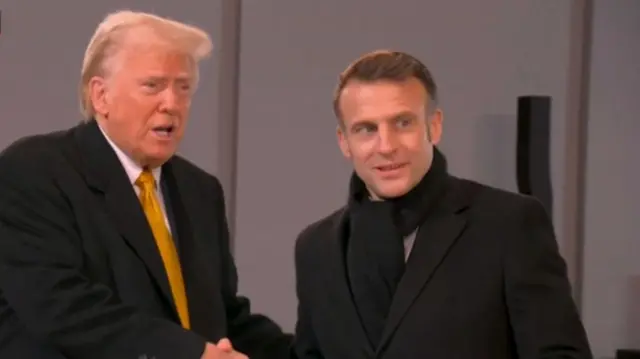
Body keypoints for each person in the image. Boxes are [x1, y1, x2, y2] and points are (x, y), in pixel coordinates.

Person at [0, 10, 291, 359]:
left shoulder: (199, 190)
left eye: (183, 88)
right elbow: (60, 306)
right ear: (100, 96)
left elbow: (222, 317)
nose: (172, 104)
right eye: (153, 85)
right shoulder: (35, 170)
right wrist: (193, 353)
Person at [292, 50, 593, 358]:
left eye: (403, 123)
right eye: (367, 129)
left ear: (433, 126)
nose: (386, 146)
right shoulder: (316, 248)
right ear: (344, 141)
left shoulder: (509, 224)